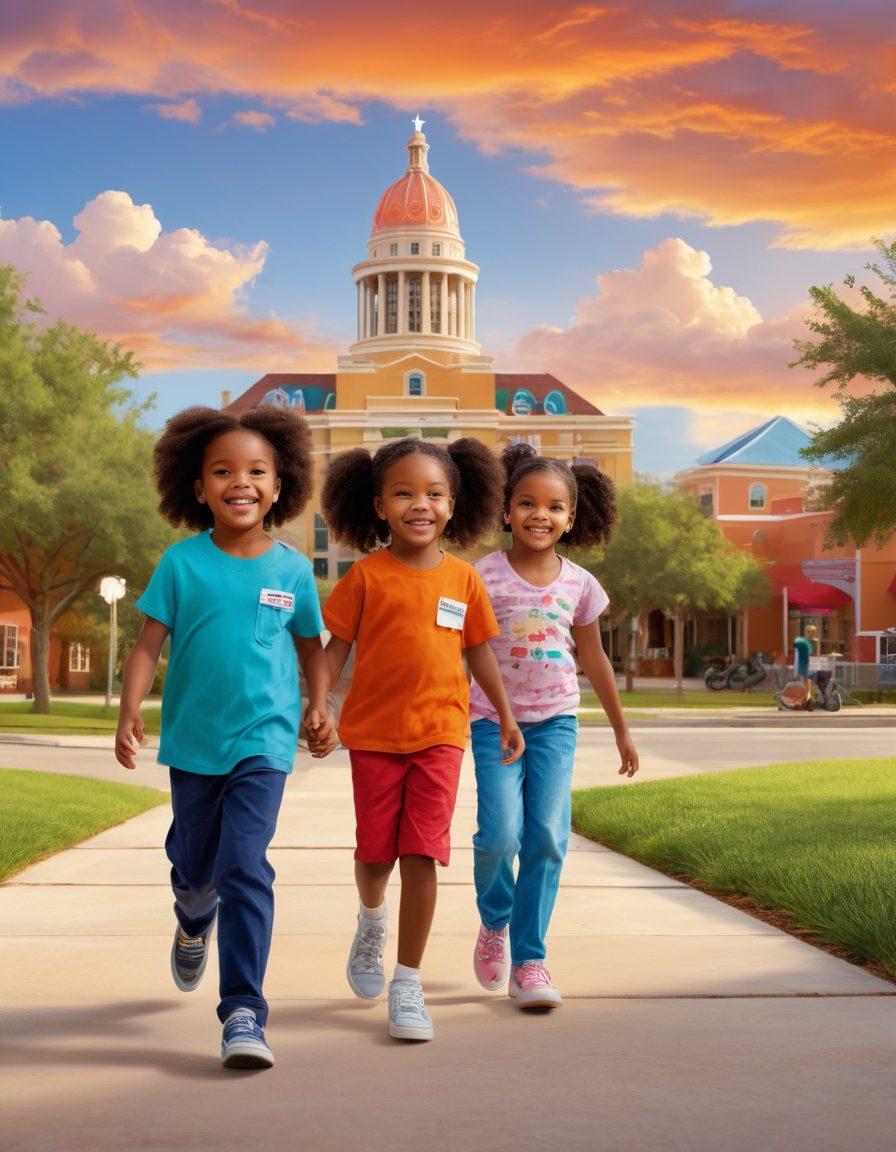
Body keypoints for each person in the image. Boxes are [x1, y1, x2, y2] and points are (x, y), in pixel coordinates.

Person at [115, 405, 334, 1070]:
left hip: (263, 742)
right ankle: (191, 912)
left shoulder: (293, 571)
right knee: (193, 861)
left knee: (245, 865)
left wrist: (320, 705)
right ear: (199, 487)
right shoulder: (181, 564)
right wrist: (128, 708)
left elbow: (311, 648)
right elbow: (148, 645)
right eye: (223, 471)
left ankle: (243, 1011)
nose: (240, 481)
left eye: (256, 471)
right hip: (193, 741)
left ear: (279, 485)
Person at [319, 437, 525, 1042]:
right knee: (376, 855)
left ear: (454, 505)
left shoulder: (463, 580)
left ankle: (408, 983)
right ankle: (372, 919)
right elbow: (335, 651)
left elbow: (479, 651)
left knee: (423, 853)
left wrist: (506, 716)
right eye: (404, 493)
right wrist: (319, 705)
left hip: (441, 733)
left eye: (434, 493)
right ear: (379, 505)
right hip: (375, 736)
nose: (420, 504)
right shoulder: (363, 577)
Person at [470, 443, 639, 1010]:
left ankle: (530, 960)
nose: (540, 515)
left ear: (572, 518)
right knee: (500, 837)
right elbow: (462, 653)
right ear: (505, 510)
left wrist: (621, 730)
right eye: (527, 503)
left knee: (545, 836)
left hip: (556, 721)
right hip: (494, 721)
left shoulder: (581, 585)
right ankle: (495, 919)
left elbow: (594, 660)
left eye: (554, 507)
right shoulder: (481, 577)